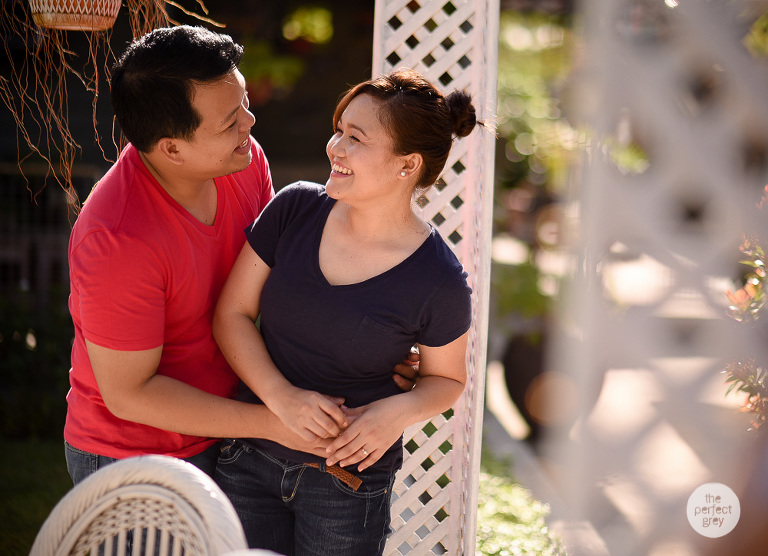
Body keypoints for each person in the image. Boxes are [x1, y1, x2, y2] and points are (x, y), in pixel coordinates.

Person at [64, 25, 417, 485]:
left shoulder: (241, 160)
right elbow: (130, 394)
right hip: (132, 459)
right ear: (171, 147)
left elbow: (284, 286)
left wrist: (372, 343)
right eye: (230, 121)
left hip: (231, 429)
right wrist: (273, 421)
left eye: (244, 104)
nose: (249, 123)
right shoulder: (117, 239)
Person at [213, 68, 478, 555]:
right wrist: (281, 397)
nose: (335, 145)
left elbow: (447, 380)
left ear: (407, 165)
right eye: (339, 130)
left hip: (345, 482)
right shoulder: (293, 209)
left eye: (355, 137)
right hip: (246, 459)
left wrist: (396, 412)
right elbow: (230, 314)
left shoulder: (439, 280)